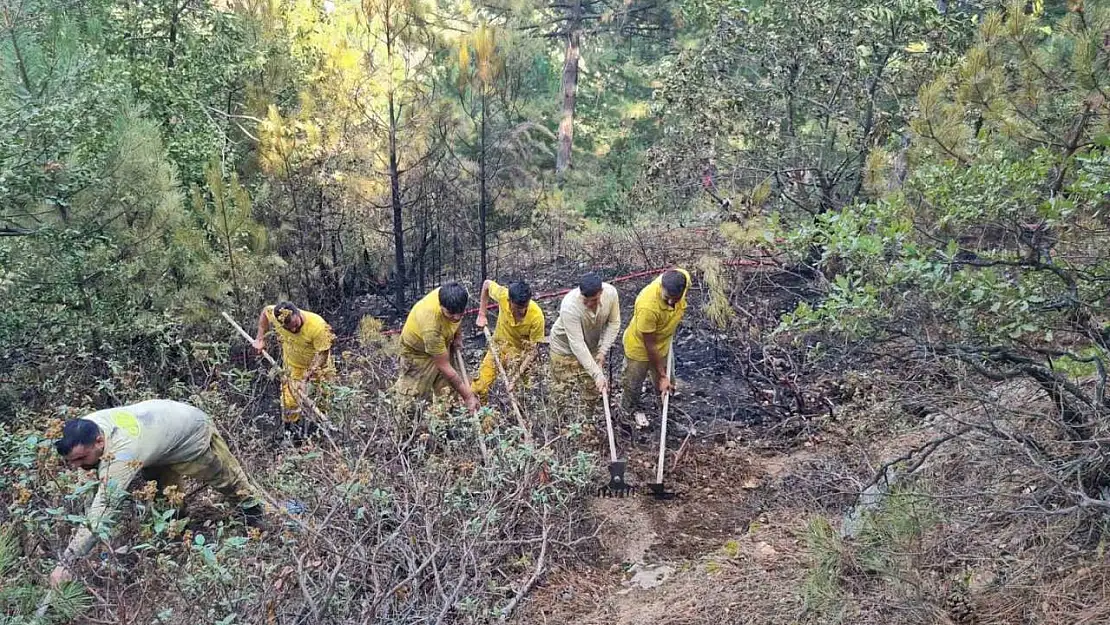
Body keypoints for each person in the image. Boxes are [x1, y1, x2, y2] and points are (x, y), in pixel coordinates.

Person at [49, 400, 264, 587]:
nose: (77, 466)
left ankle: (256, 514)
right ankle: (177, 531)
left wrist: (67, 562)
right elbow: (90, 493)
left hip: (190, 431)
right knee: (164, 495)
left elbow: (103, 508)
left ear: (100, 442)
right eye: (72, 461)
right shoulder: (85, 428)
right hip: (157, 435)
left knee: (225, 478)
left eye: (81, 459)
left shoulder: (122, 454)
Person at [394, 282, 479, 412]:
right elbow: (443, 365)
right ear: (441, 306)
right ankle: (406, 430)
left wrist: (457, 336)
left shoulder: (453, 298)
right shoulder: (431, 324)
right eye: (450, 313)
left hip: (441, 344)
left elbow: (456, 319)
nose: (456, 317)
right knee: (411, 400)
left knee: (448, 393)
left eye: (460, 313)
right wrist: (468, 397)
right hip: (418, 353)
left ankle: (445, 425)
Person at [251, 301, 335, 433]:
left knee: (321, 400)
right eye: (288, 328)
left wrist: (306, 377)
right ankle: (292, 435)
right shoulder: (277, 315)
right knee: (289, 402)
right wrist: (260, 338)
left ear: (298, 313)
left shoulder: (318, 326)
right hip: (293, 367)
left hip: (319, 368)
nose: (294, 330)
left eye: (296, 325)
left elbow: (323, 355)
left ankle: (319, 433)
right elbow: (265, 312)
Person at [621, 269, 691, 414]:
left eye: (675, 298)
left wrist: (665, 378)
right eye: (667, 297)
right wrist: (662, 375)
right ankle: (627, 414)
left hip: (663, 343)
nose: (671, 301)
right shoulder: (647, 306)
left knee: (667, 384)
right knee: (632, 385)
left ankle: (665, 410)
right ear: (661, 287)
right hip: (640, 348)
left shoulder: (682, 277)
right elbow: (650, 346)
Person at [548, 273, 621, 399]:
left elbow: (614, 323)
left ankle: (588, 418)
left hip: (591, 346)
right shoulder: (569, 306)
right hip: (563, 349)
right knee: (561, 393)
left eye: (593, 300)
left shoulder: (611, 294)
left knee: (592, 391)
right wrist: (598, 374)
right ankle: (557, 418)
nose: (588, 304)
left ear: (601, 292)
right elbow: (577, 344)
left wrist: (602, 351)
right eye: (584, 300)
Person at [473, 280, 545, 399]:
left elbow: (533, 351)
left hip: (520, 357)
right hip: (499, 347)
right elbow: (486, 284)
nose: (522, 311)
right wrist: (481, 314)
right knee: (480, 387)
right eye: (518, 308)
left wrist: (515, 378)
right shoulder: (503, 295)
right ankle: (483, 415)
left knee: (523, 394)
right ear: (509, 301)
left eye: (525, 307)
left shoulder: (537, 317)